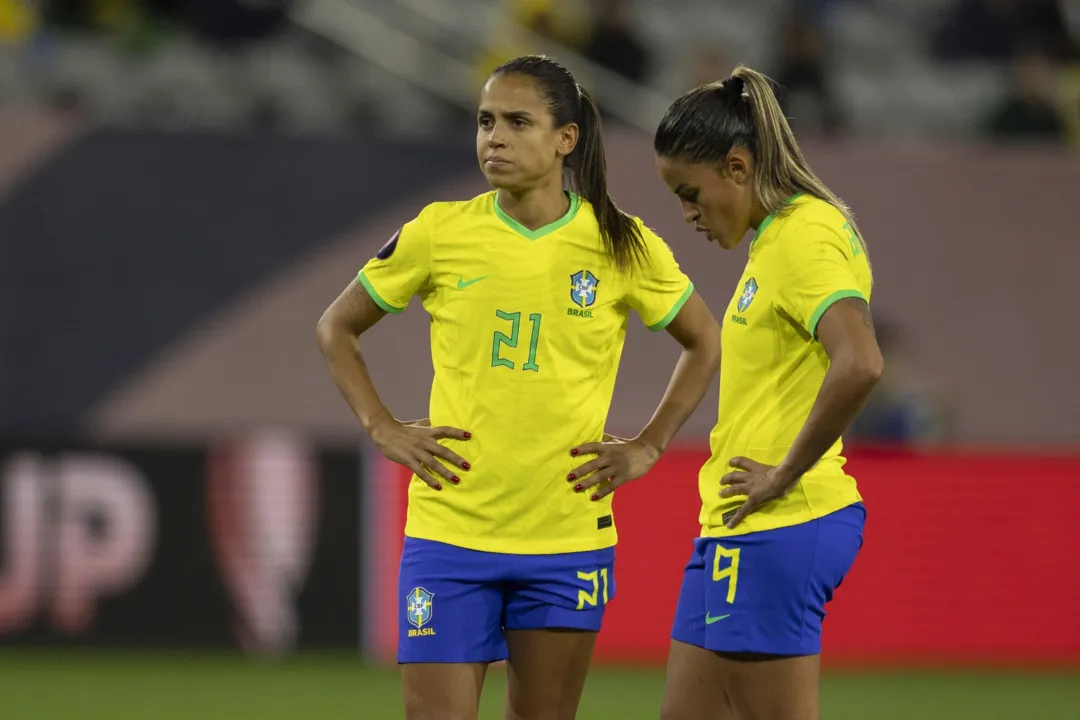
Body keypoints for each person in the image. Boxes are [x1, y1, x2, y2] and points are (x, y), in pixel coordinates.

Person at [316, 54, 721, 720]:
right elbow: (337, 328)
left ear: (566, 139)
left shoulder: (621, 245)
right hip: (449, 537)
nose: (493, 138)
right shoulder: (439, 232)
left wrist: (649, 445)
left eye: (516, 121)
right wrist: (381, 425)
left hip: (566, 542)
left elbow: (705, 341)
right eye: (484, 122)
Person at [652, 65, 883, 720]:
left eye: (691, 192)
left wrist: (783, 472)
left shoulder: (804, 237)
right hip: (735, 527)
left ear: (736, 165)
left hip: (780, 527)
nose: (687, 214)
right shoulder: (774, 239)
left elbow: (860, 361)